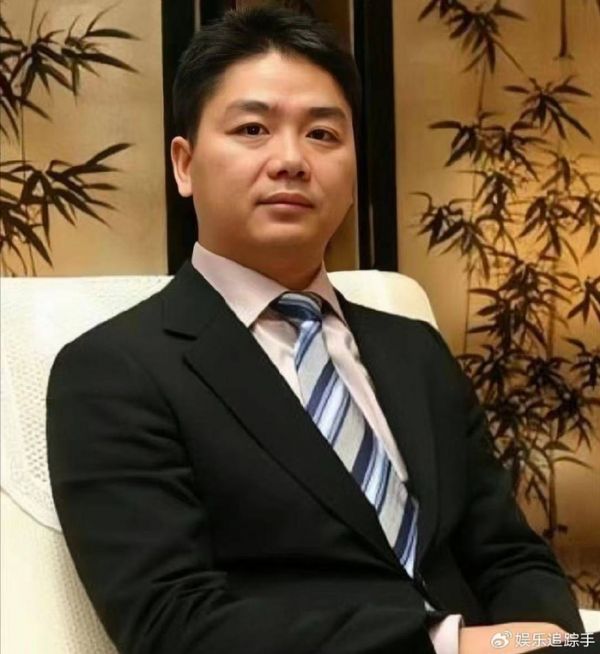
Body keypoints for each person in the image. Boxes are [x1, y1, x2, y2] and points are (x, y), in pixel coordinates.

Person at [46, 7, 586, 654]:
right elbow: (173, 623)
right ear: (184, 165)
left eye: (323, 134)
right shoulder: (113, 371)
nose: (291, 160)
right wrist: (451, 645)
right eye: (252, 129)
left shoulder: (413, 348)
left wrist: (546, 642)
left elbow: (509, 555)